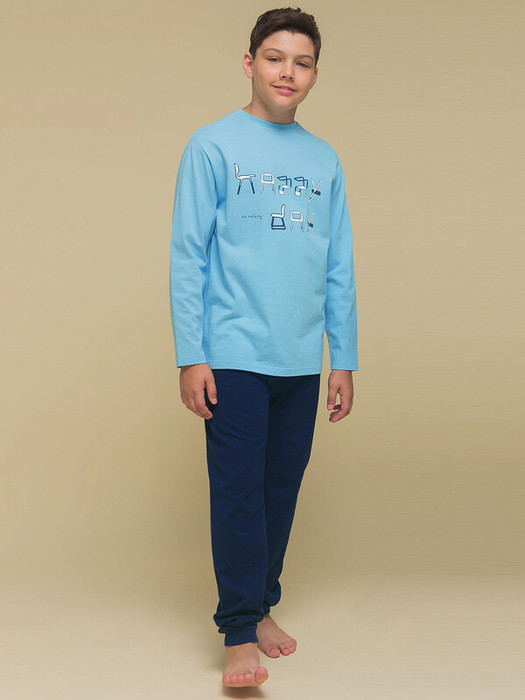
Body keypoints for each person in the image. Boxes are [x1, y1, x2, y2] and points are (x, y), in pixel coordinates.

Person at [169, 6, 358, 688]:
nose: (287, 72)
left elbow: (338, 265)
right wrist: (191, 353)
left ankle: (261, 604)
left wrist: (343, 358)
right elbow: (188, 255)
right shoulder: (212, 145)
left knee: (280, 488)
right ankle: (238, 632)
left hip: (300, 358)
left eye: (302, 62)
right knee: (239, 492)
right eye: (275, 57)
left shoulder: (323, 159)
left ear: (314, 75)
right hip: (232, 354)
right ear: (250, 63)